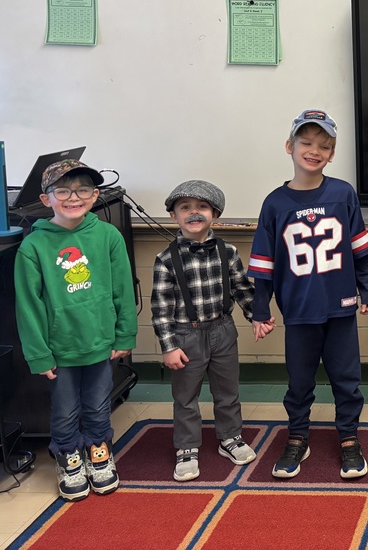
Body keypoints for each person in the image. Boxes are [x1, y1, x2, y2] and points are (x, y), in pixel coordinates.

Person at [248, 109, 368, 480]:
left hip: (340, 308)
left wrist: (366, 288)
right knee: (299, 380)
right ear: (289, 146)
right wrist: (260, 309)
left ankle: (349, 438)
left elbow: (358, 249)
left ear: (333, 154)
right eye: (306, 142)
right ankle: (298, 436)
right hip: (299, 309)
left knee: (346, 378)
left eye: (325, 145)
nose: (314, 150)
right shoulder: (275, 203)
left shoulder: (342, 193)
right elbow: (263, 263)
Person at [14, 159, 137, 501]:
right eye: (63, 190)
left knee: (98, 404)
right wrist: (39, 353)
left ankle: (99, 451)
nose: (73, 197)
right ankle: (68, 456)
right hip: (60, 348)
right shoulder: (33, 247)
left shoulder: (107, 235)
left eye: (83, 189)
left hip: (100, 342)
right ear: (45, 198)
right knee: (65, 407)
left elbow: (122, 290)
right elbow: (29, 305)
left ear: (95, 195)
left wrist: (125, 335)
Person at [152, 180, 276, 482]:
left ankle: (230, 437)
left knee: (227, 391)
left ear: (215, 214)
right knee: (185, 396)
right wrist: (169, 346)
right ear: (173, 216)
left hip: (222, 330)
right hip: (185, 335)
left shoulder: (227, 251)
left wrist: (256, 316)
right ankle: (187, 447)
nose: (194, 214)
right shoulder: (166, 259)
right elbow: (160, 307)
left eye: (202, 208)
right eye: (185, 208)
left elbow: (242, 289)